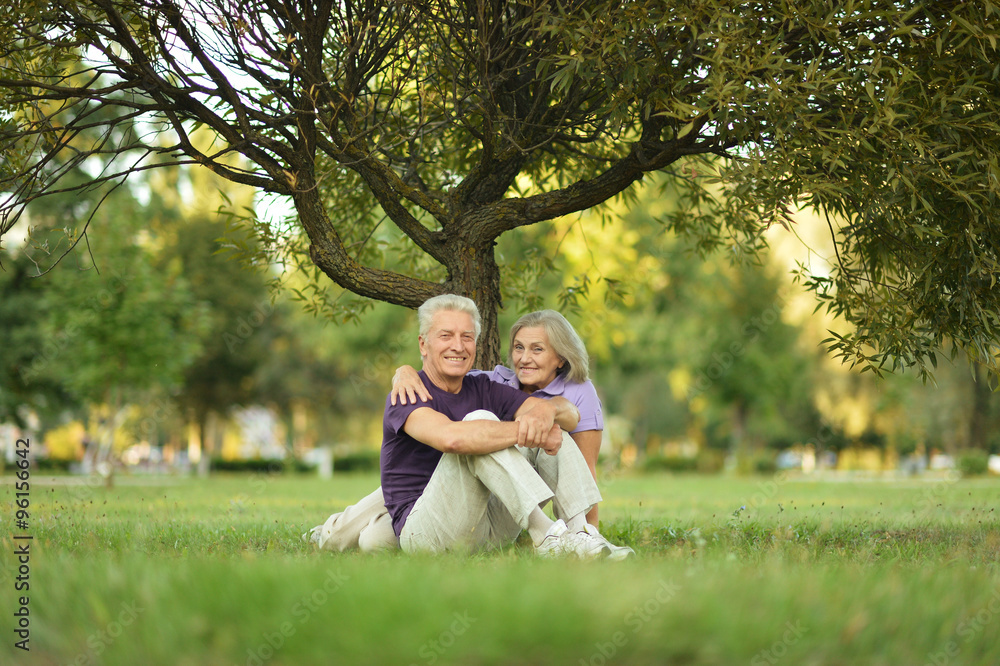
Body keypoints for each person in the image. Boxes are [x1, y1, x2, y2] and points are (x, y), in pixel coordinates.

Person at [308, 294, 629, 557]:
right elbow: (453, 439)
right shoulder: (407, 394)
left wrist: (548, 412)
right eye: (445, 336)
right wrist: (526, 430)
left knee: (547, 429)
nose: (458, 346)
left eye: (466, 337)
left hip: (483, 523)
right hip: (423, 528)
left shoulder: (483, 387)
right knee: (478, 429)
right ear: (423, 345)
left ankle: (582, 537)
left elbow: (568, 416)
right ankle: (547, 537)